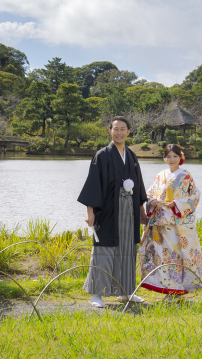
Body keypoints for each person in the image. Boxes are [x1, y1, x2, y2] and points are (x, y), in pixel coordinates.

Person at [78, 116, 147, 308]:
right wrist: (90, 211)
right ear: (110, 131)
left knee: (127, 251)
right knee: (103, 251)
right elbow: (93, 184)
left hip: (129, 212)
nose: (119, 132)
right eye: (115, 129)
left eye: (122, 129)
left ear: (128, 132)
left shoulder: (132, 156)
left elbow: (139, 184)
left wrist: (141, 210)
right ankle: (96, 294)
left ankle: (126, 292)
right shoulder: (102, 155)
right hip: (108, 211)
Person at [138, 143, 202, 296]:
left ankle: (177, 289)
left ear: (181, 158)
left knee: (175, 255)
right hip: (159, 221)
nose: (171, 160)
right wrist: (151, 201)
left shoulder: (185, 175)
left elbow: (194, 196)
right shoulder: (160, 175)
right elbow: (150, 192)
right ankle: (166, 288)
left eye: (175, 156)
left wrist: (177, 204)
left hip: (176, 223)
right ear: (164, 158)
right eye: (168, 156)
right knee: (161, 256)